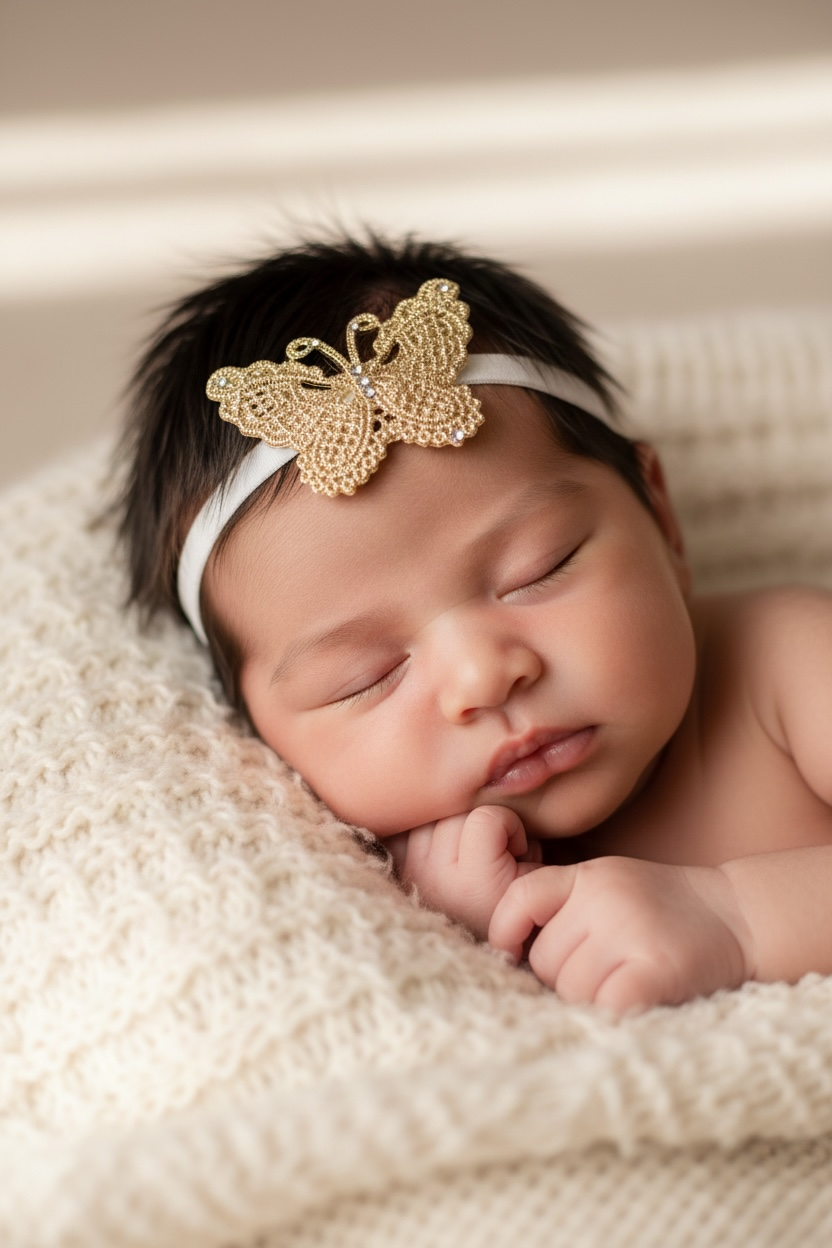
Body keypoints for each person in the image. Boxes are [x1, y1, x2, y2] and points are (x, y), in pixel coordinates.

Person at [118, 233, 832, 1012]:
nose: (482, 677)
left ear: (660, 515)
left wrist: (739, 920)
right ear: (258, 730)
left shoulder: (786, 662)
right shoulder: (366, 888)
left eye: (540, 569)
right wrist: (452, 929)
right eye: (367, 676)